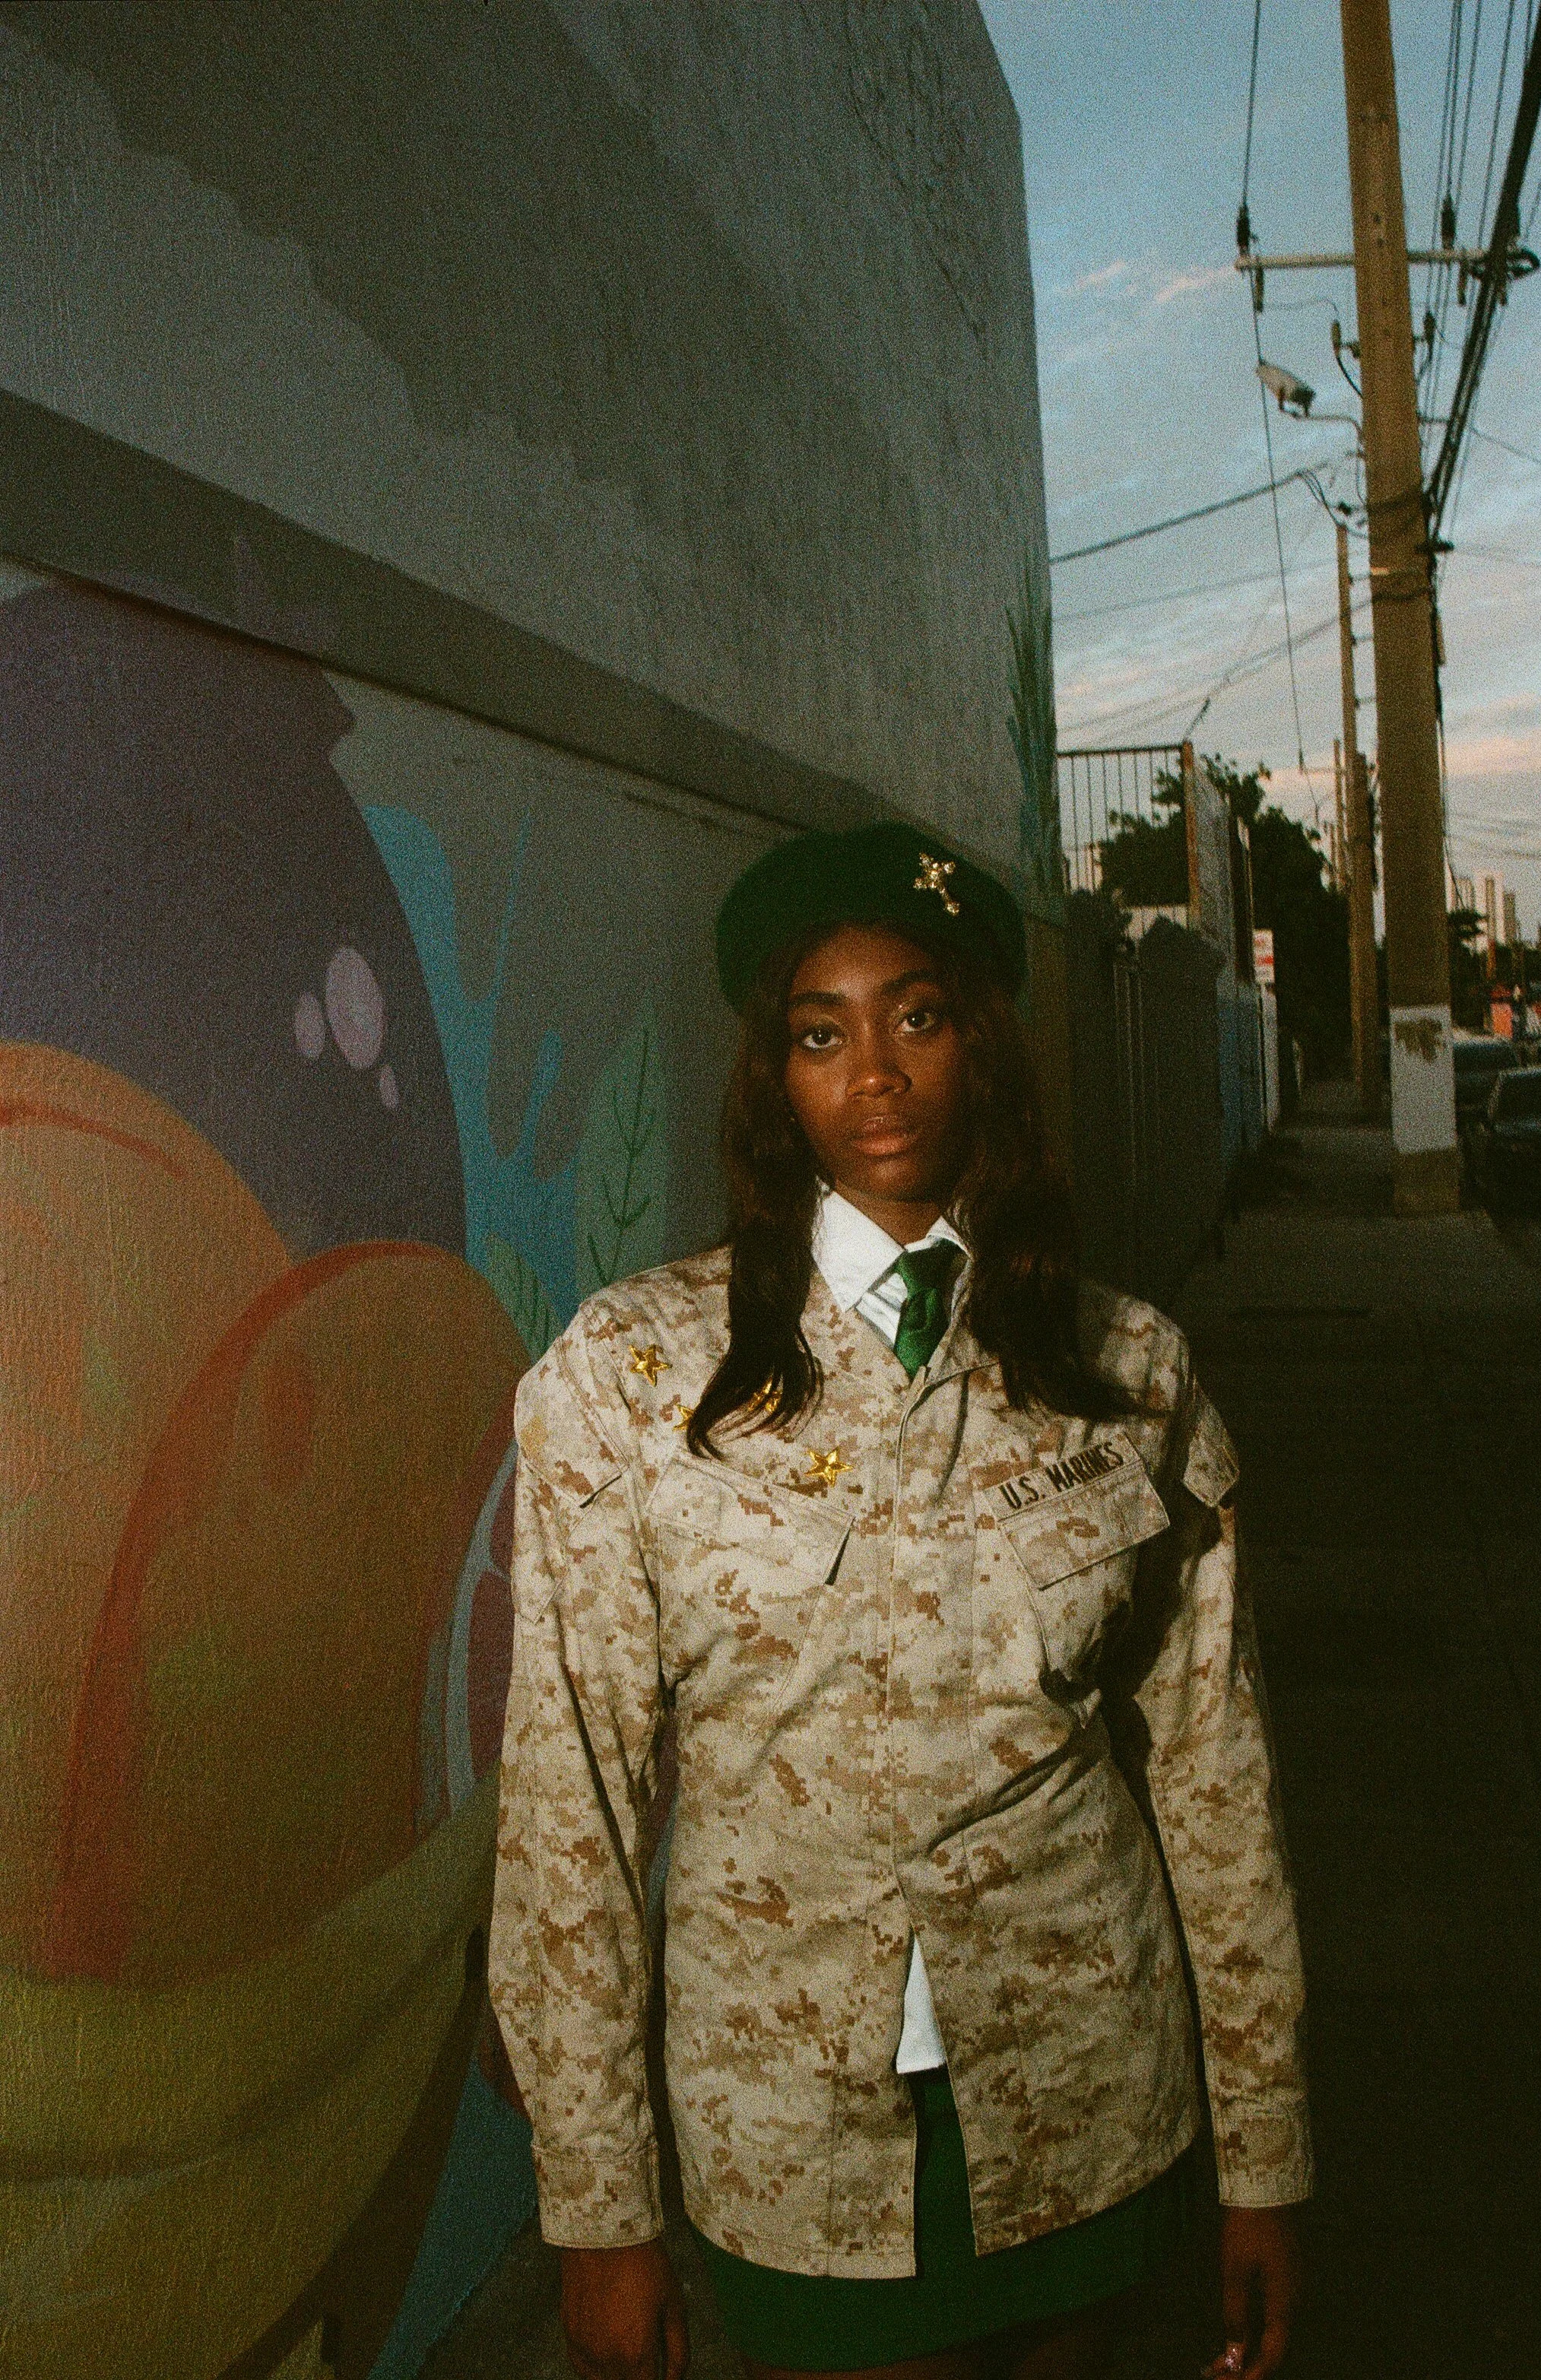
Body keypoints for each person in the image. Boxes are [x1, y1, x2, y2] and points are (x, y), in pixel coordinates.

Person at [491, 823, 1310, 2380]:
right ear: (772, 1078)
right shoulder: (633, 1374)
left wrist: (1264, 2156)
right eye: (819, 1031)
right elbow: (569, 1801)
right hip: (786, 2135)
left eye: (916, 1017)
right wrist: (599, 2210)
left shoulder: (1123, 1367)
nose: (872, 1072)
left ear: (979, 1052)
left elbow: (1216, 1779)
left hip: (1092, 2099)